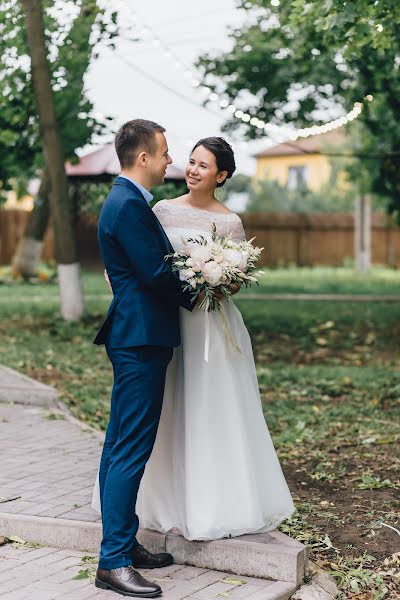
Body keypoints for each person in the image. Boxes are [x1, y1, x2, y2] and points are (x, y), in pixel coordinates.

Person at [92, 136, 294, 548]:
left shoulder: (230, 222)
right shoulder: (160, 210)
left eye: (204, 165)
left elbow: (234, 281)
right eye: (189, 161)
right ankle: (153, 510)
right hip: (165, 321)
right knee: (158, 418)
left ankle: (211, 501)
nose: (191, 169)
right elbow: (145, 262)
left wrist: (216, 281)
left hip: (207, 324)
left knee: (207, 407)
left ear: (221, 175)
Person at [92, 119, 197, 598]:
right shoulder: (128, 204)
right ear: (143, 158)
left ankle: (123, 543)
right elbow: (156, 273)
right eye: (165, 152)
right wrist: (203, 290)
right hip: (139, 337)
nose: (169, 160)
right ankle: (113, 561)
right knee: (130, 447)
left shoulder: (128, 200)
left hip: (136, 334)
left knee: (119, 443)